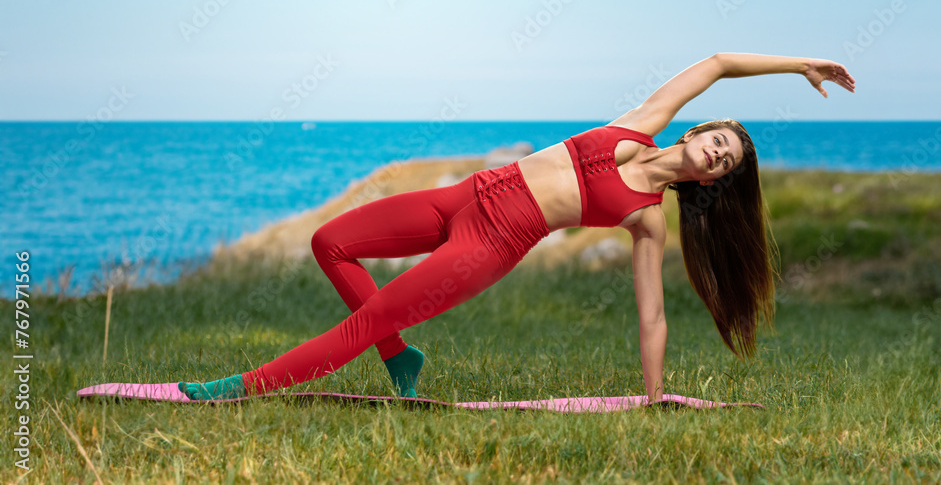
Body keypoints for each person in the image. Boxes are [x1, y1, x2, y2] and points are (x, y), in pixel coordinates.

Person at [179, 52, 855, 402]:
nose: (716, 152)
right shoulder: (643, 121)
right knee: (331, 242)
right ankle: (398, 355)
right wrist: (797, 63)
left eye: (726, 162)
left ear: (712, 181)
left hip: (487, 245)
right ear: (700, 128)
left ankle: (239, 388)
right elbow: (714, 63)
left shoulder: (646, 220)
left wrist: (651, 394)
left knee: (362, 319)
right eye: (720, 140)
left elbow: (652, 316)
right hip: (463, 197)